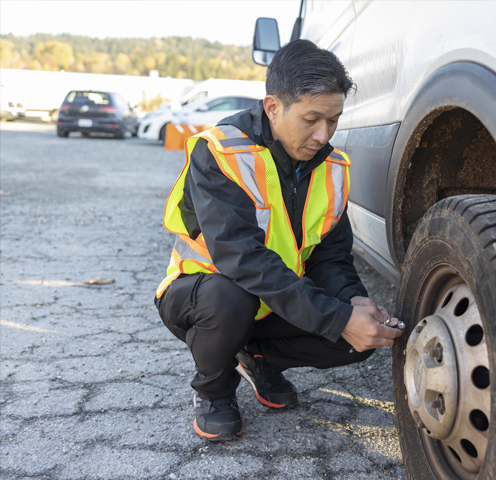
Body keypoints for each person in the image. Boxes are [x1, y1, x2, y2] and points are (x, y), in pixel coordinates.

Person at [154, 39, 404, 442]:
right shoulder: (220, 152)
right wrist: (335, 316)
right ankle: (214, 392)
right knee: (231, 298)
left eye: (334, 120)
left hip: (270, 301)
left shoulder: (333, 168)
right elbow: (243, 259)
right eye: (312, 119)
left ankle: (253, 358)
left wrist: (354, 300)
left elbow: (331, 257)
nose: (324, 135)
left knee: (359, 337)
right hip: (204, 295)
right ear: (273, 107)